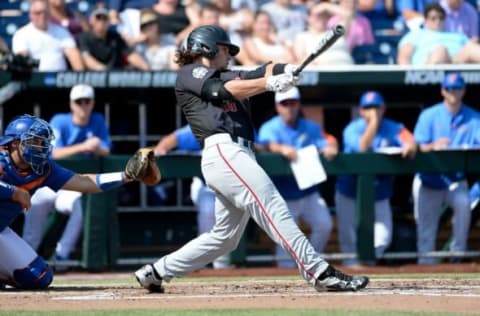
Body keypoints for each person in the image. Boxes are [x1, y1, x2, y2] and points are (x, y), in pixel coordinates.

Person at [134, 24, 369, 293]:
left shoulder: (227, 73)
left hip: (237, 155)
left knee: (225, 238)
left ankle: (156, 271)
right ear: (207, 48)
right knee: (272, 205)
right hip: (223, 150)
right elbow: (221, 90)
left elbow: (260, 71)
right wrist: (268, 84)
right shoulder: (190, 74)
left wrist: (285, 70)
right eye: (224, 49)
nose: (229, 55)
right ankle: (318, 271)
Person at [0, 114, 142, 290]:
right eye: (34, 142)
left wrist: (126, 176)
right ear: (15, 143)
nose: (40, 147)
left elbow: (84, 182)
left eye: (42, 142)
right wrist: (13, 191)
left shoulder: (43, 169)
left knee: (40, 277)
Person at [22, 84, 112, 264]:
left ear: (92, 103)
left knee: (81, 204)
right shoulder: (60, 120)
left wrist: (98, 148)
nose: (83, 106)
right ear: (72, 104)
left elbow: (107, 150)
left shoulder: (98, 120)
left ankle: (62, 254)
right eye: (79, 102)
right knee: (34, 202)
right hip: (50, 182)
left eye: (87, 101)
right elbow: (54, 153)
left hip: (73, 186)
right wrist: (84, 147)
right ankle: (25, 256)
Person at [335, 90, 417, 266]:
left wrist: (409, 146)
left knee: (383, 237)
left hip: (379, 192)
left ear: (383, 108)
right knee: (348, 239)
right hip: (349, 191)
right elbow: (362, 148)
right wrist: (373, 122)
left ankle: (367, 265)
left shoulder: (393, 127)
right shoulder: (352, 128)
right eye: (368, 107)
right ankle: (349, 272)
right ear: (361, 110)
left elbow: (409, 138)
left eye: (376, 107)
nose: (372, 111)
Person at [258, 87, 336, 268]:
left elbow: (329, 140)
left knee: (324, 224)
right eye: (285, 104)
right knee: (285, 242)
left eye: (293, 103)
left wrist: (331, 147)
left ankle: (310, 263)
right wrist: (280, 148)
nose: (289, 108)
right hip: (282, 194)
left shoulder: (310, 127)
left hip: (308, 191)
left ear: (298, 104)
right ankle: (285, 276)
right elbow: (262, 145)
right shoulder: (270, 127)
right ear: (278, 106)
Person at [412, 72, 479, 265]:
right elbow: (418, 146)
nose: (453, 92)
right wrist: (434, 146)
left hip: (456, 180)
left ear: (463, 90)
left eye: (457, 88)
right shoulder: (429, 115)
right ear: (443, 90)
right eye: (449, 88)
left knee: (464, 204)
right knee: (426, 226)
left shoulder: (473, 118)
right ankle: (425, 265)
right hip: (429, 179)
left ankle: (457, 255)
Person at [153, 124, 232, 269]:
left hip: (233, 185)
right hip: (207, 186)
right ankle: (206, 261)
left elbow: (258, 146)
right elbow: (171, 140)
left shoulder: (236, 123)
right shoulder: (203, 124)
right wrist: (160, 150)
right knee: (208, 211)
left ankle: (221, 265)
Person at [12, 0, 84, 72]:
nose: (42, 16)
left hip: (60, 78)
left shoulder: (61, 31)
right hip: (33, 78)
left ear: (49, 13)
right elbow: (22, 58)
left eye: (45, 12)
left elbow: (73, 54)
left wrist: (79, 76)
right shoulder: (21, 34)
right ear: (31, 14)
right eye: (38, 13)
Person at [397, 3, 480, 65]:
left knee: (471, 47)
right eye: (433, 18)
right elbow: (404, 57)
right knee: (441, 50)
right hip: (428, 67)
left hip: (457, 62)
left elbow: (472, 47)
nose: (438, 21)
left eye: (441, 18)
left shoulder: (457, 35)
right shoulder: (415, 35)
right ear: (425, 20)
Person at [77, 7, 150, 71]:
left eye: (105, 18)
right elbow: (86, 58)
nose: (102, 21)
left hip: (115, 76)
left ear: (109, 22)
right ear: (91, 21)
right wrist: (102, 70)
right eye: (98, 18)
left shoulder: (116, 37)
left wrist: (146, 68)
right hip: (94, 77)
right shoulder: (84, 38)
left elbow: (130, 54)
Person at [293, 2, 354, 67]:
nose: (321, 19)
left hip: (348, 68)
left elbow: (347, 15)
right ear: (309, 18)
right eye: (317, 16)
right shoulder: (302, 36)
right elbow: (302, 58)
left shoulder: (336, 31)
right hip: (324, 71)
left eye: (324, 16)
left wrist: (325, 6)